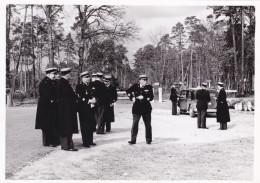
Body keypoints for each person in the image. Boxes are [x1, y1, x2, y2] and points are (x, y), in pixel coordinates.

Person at [35, 67, 60, 147]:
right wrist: (53, 100)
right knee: (46, 125)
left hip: (51, 107)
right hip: (45, 107)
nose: (55, 75)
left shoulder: (53, 82)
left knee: (53, 123)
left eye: (55, 73)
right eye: (53, 74)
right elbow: (46, 95)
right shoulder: (44, 82)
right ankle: (47, 142)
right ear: (48, 74)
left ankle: (53, 140)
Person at [126, 75, 154, 144]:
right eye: (143, 80)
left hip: (146, 108)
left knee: (148, 125)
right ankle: (133, 139)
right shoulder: (135, 86)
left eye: (145, 80)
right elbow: (128, 91)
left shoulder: (149, 87)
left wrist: (143, 98)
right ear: (140, 80)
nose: (145, 81)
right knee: (135, 124)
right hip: (137, 108)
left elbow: (151, 97)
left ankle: (148, 139)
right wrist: (132, 98)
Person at [56, 68, 78, 151]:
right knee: (66, 128)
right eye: (70, 74)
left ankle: (68, 145)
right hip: (65, 110)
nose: (70, 76)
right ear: (67, 74)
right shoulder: (63, 83)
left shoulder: (63, 83)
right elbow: (67, 96)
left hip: (66, 109)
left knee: (67, 128)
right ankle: (66, 146)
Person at [76, 71, 97, 147]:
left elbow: (95, 94)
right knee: (84, 125)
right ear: (82, 78)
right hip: (83, 108)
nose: (88, 78)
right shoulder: (79, 86)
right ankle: (85, 142)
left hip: (91, 108)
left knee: (91, 124)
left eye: (88, 77)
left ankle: (90, 140)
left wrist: (94, 100)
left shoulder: (91, 85)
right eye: (86, 77)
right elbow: (80, 97)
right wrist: (89, 101)